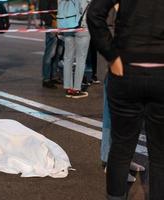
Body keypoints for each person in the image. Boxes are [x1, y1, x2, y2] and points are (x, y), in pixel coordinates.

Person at [87, 0, 164, 199]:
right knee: (160, 153)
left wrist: (112, 56)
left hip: (126, 71)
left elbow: (94, 14)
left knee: (121, 146)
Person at [62, 0, 91, 98]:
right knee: (81, 59)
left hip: (68, 26)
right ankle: (76, 89)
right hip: (82, 27)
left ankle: (68, 88)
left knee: (68, 58)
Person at [39, 0, 58, 89]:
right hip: (52, 25)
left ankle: (53, 76)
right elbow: (43, 12)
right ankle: (46, 79)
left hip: (60, 24)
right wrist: (51, 22)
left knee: (58, 52)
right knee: (50, 53)